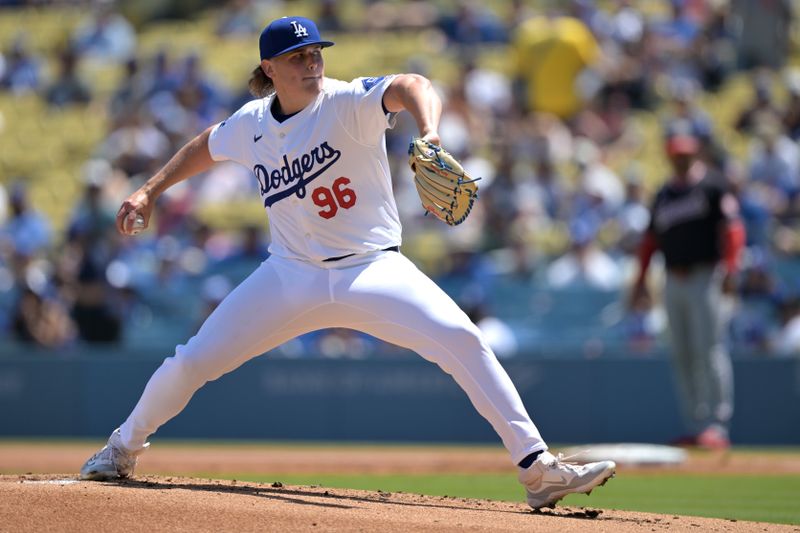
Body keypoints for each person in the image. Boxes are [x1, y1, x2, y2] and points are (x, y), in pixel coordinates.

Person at [78, 16, 616, 509]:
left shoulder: (345, 102)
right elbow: (206, 145)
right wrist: (150, 191)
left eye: (315, 53)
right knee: (194, 360)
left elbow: (412, 85)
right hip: (290, 274)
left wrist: (428, 132)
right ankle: (121, 449)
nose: (311, 63)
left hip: (372, 268)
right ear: (270, 68)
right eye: (297, 57)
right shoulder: (250, 124)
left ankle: (537, 470)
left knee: (462, 338)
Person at [631, 132, 745, 450]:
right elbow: (650, 241)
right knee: (682, 353)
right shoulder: (664, 194)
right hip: (673, 278)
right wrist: (640, 280)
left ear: (695, 154)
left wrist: (732, 268)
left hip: (705, 275)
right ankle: (695, 426)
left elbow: (733, 230)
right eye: (676, 154)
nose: (680, 159)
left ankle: (716, 426)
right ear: (669, 156)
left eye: (686, 154)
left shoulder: (713, 185)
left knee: (709, 349)